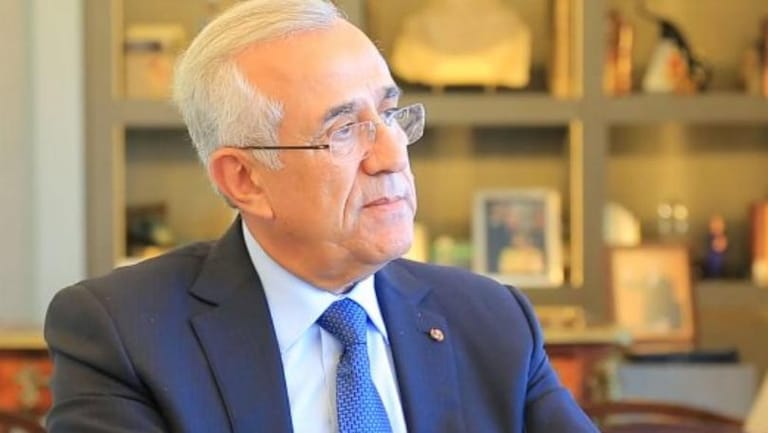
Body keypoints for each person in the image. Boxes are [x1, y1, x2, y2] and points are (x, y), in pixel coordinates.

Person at [44, 1, 598, 432]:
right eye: (343, 130)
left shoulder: (491, 320)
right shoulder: (124, 335)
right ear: (245, 179)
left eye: (388, 114)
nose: (392, 156)